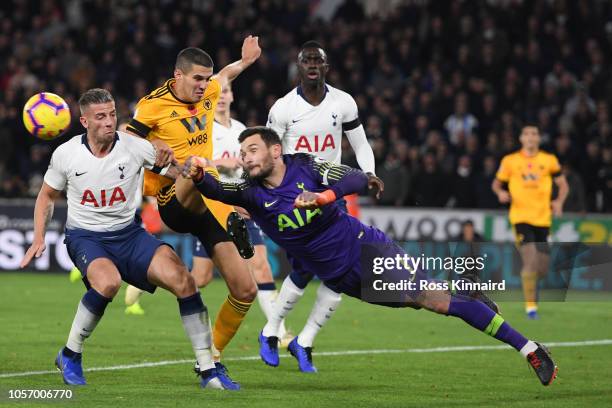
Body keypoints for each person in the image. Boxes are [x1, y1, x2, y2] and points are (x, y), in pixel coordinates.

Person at [183, 126, 558, 386]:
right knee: (420, 302)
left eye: (252, 150)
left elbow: (357, 179)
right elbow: (217, 188)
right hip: (343, 278)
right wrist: (197, 175)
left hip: (365, 249)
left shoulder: (306, 166)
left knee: (430, 300)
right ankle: (468, 294)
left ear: (274, 151)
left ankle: (529, 349)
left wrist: (324, 196)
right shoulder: (249, 192)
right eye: (243, 152)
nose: (245, 158)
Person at [19, 89, 238, 390]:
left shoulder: (135, 147)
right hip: (86, 237)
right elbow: (46, 195)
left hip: (130, 234)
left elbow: (174, 171)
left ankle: (207, 368)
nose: (109, 122)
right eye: (100, 117)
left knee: (184, 281)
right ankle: (70, 354)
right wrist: (39, 237)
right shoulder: (66, 154)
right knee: (108, 283)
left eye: (112, 114)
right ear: (84, 121)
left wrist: (179, 162)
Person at [125, 38, 261, 365]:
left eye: (207, 78)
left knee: (245, 290)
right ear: (178, 75)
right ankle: (231, 211)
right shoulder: (152, 105)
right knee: (198, 165)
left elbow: (225, 76)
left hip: (207, 202)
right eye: (197, 78)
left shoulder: (212, 90)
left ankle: (211, 355)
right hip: (175, 197)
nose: (204, 85)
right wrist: (157, 149)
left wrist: (245, 61)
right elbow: (126, 141)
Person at [264, 40, 383, 372]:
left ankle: (305, 341)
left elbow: (360, 144)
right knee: (303, 268)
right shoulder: (283, 108)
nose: (313, 64)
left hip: (331, 195)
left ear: (326, 68)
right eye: (307, 60)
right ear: (298, 67)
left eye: (318, 60)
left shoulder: (343, 103)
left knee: (339, 273)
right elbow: (270, 153)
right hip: (295, 197)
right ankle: (270, 330)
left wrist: (370, 173)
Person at [189, 78, 290, 344]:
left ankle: (278, 332)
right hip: (214, 205)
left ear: (233, 97)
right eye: (217, 93)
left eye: (227, 91)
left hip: (242, 205)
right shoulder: (203, 130)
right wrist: (221, 163)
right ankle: (152, 282)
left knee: (262, 268)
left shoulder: (242, 130)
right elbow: (192, 164)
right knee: (200, 278)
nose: (222, 97)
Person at [492, 125, 569, 319]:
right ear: (521, 138)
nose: (530, 137)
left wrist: (559, 202)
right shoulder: (510, 161)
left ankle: (532, 289)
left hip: (543, 219)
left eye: (534, 134)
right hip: (520, 218)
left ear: (539, 138)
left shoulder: (549, 160)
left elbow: (563, 185)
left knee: (542, 268)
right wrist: (501, 193)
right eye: (527, 133)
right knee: (530, 260)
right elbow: (496, 183)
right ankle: (531, 308)